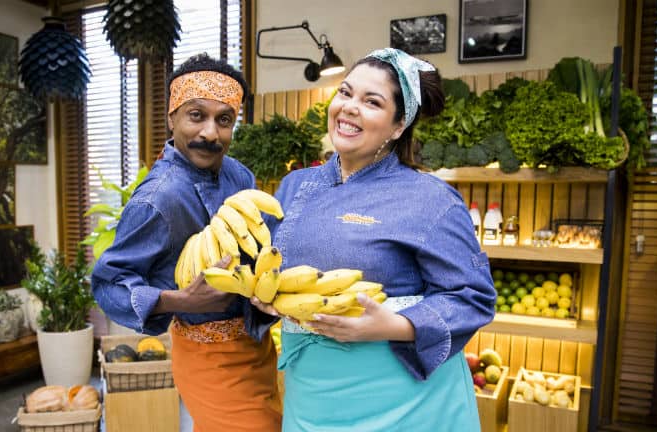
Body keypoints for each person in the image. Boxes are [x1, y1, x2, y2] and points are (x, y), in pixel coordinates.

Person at [253, 48, 496, 431]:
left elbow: (472, 297)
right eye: (345, 93)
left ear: (399, 125)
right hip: (313, 395)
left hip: (404, 401)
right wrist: (260, 294)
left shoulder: (430, 198)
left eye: (371, 102)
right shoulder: (294, 187)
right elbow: (264, 263)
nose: (349, 107)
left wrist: (393, 325)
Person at [91, 53, 282, 432]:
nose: (211, 133)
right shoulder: (157, 199)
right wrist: (180, 300)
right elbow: (108, 284)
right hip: (206, 354)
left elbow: (264, 245)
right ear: (172, 118)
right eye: (197, 115)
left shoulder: (238, 175)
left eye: (224, 119)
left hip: (258, 345)